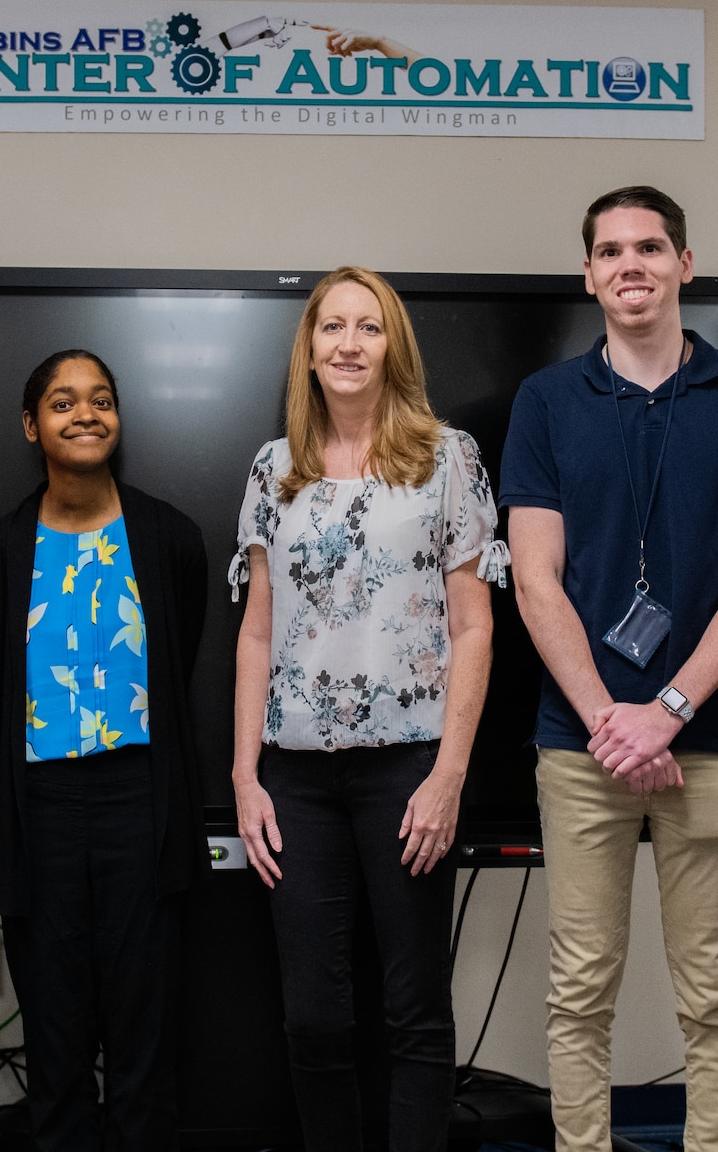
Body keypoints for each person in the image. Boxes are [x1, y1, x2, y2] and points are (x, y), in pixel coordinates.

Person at [500, 186, 718, 1152]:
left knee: (712, 986)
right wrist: (610, 722)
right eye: (611, 250)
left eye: (651, 247)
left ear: (684, 264)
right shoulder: (545, 401)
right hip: (581, 744)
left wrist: (663, 711)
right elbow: (535, 582)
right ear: (588, 273)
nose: (631, 264)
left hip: (706, 739)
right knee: (580, 983)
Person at [232, 265, 506, 1152]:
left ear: (394, 345)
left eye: (370, 327)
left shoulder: (446, 456)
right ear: (308, 348)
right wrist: (244, 776)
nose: (350, 344)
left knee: (415, 1008)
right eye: (333, 327)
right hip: (296, 779)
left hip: (408, 770)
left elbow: (474, 625)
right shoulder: (275, 468)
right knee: (313, 1017)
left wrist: (449, 777)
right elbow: (254, 634)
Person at [0, 349, 209, 1152]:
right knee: (57, 1030)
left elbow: (184, 651)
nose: (86, 414)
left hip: (141, 802)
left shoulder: (169, 538)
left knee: (145, 1025)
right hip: (41, 814)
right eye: (63, 402)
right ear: (33, 426)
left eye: (101, 399)